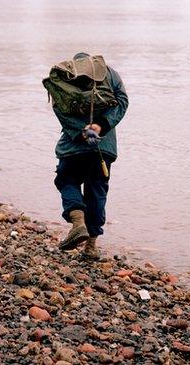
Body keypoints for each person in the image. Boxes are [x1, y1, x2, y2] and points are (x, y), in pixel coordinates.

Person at [51, 52, 128, 259]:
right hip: (103, 147)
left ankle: (78, 222)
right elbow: (123, 101)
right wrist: (100, 126)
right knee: (97, 191)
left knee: (67, 179)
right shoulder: (110, 73)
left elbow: (58, 107)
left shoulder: (65, 76)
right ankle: (91, 246)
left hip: (73, 146)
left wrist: (82, 130)